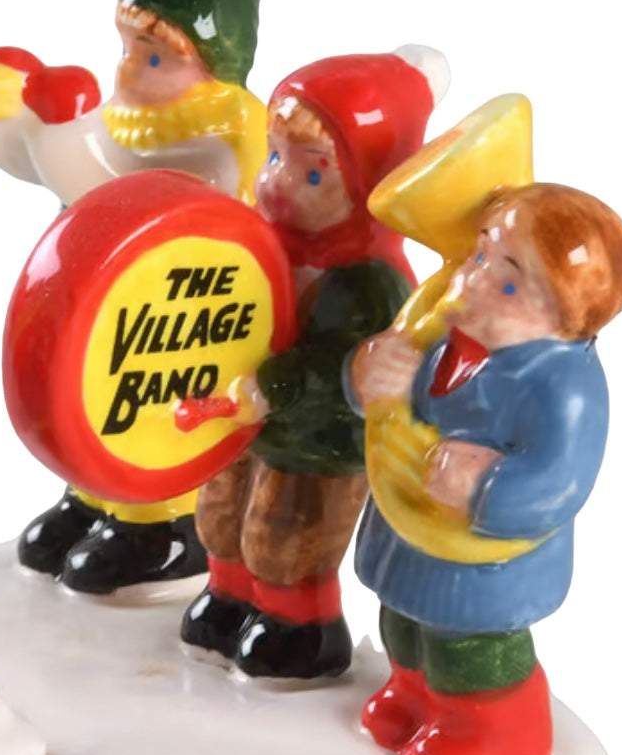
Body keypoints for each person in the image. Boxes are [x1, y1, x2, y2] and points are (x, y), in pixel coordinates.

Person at [0, 0, 275, 595]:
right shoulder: (132, 122)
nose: (128, 73)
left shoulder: (228, 132)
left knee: (150, 413)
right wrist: (13, 120)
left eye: (155, 57)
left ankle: (163, 527)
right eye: (127, 50)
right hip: (108, 301)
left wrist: (55, 129)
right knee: (88, 394)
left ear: (214, 66)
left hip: (184, 316)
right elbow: (65, 172)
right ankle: (93, 497)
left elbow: (122, 193)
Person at [349, 175, 622, 755]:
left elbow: (563, 481)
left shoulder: (565, 385)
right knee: (401, 624)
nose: (475, 279)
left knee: (469, 647)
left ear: (564, 316)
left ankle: (498, 733)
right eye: (480, 256)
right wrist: (370, 374)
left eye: (507, 281)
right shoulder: (440, 333)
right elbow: (385, 400)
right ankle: (413, 697)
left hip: (484, 564)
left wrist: (486, 486)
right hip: (409, 527)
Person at [181, 46, 448, 678]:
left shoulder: (367, 282)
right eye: (274, 156)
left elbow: (346, 367)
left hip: (318, 443)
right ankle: (230, 596)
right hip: (244, 421)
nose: (275, 180)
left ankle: (301, 627)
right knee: (222, 512)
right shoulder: (257, 247)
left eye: (313, 173)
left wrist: (277, 384)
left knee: (286, 533)